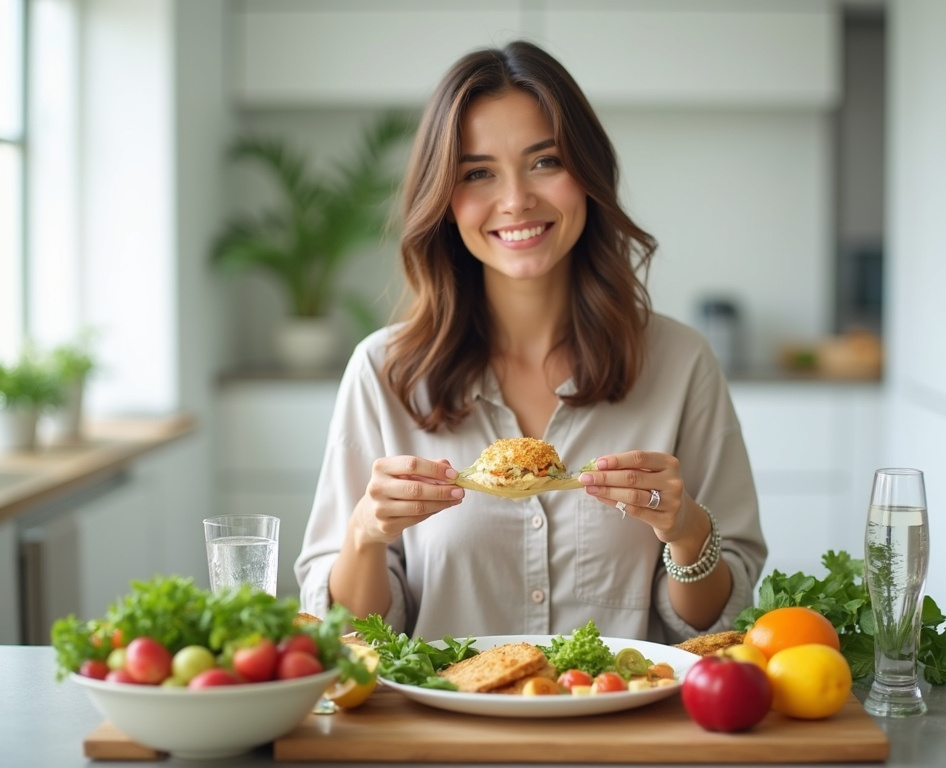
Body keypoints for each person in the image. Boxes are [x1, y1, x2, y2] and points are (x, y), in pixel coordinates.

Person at [295, 40, 766, 644]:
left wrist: (688, 531)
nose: (515, 199)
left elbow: (716, 623)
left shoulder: (681, 365)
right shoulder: (383, 372)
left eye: (545, 161)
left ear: (589, 175)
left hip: (621, 728)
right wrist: (365, 532)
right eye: (478, 173)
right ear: (443, 197)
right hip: (443, 734)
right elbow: (353, 636)